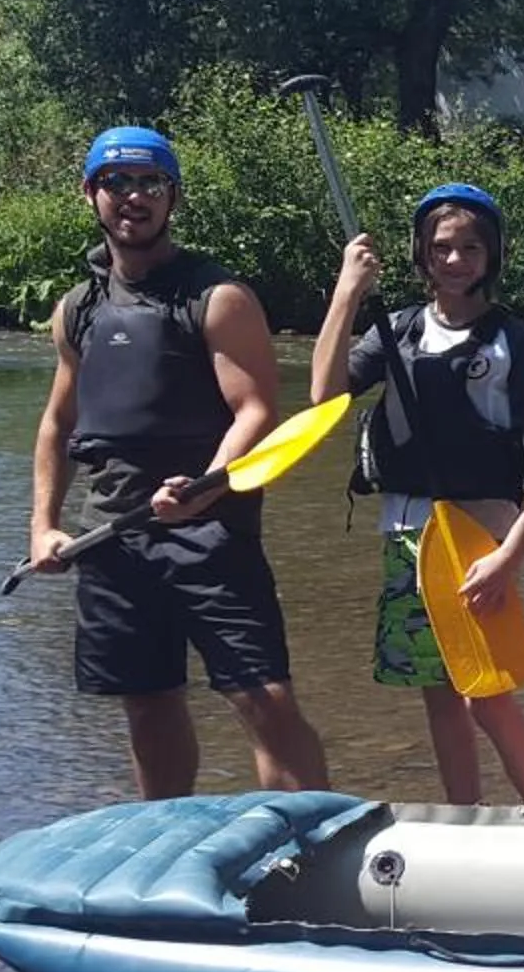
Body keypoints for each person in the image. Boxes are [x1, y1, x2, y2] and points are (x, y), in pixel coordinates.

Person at [26, 126, 332, 801]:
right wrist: (43, 526)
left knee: (264, 700)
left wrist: (207, 487)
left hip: (209, 532)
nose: (132, 197)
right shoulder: (76, 310)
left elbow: (255, 410)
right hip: (112, 536)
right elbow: (59, 421)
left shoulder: (216, 297)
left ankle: (315, 843)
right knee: (149, 703)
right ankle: (165, 836)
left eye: (149, 184)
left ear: (174, 199)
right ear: (90, 195)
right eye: (116, 183)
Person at [311, 183, 524, 806]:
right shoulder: (394, 333)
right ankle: (464, 815)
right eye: (441, 248)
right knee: (440, 693)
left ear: (493, 255)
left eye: (471, 248)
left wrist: (513, 555)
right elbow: (323, 395)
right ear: (421, 255)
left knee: (485, 689)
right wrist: (348, 293)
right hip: (408, 533)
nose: (455, 261)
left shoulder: (514, 343)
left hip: (480, 538)